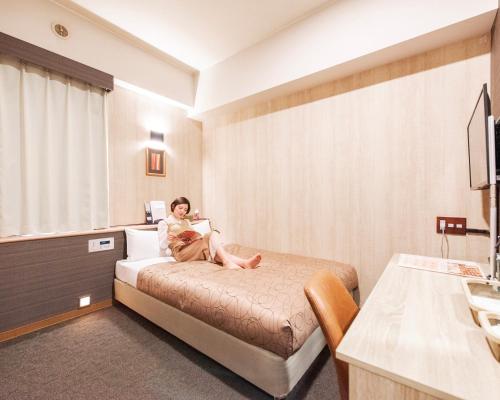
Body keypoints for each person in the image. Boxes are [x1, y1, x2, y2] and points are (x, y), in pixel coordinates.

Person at [158, 197, 261, 269]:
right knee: (211, 242)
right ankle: (228, 262)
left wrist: (194, 237)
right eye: (180, 208)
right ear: (173, 206)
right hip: (181, 253)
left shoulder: (187, 221)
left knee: (213, 237)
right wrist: (168, 239)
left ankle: (244, 263)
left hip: (194, 247)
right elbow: (162, 247)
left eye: (185, 210)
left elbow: (194, 235)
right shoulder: (164, 223)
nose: (183, 212)